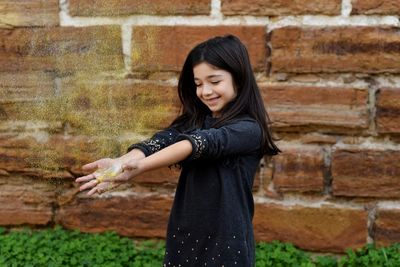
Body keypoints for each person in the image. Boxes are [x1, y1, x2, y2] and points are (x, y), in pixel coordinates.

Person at [75, 34, 281, 266]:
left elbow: (198, 144)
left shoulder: (248, 129)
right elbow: (160, 141)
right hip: (185, 233)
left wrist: (139, 168)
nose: (205, 91)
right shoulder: (193, 122)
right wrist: (121, 163)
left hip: (227, 240)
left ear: (239, 79)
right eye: (198, 84)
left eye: (214, 82)